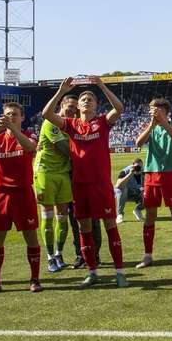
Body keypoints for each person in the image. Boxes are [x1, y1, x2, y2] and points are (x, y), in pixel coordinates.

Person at [41, 76, 129, 289]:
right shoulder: (70, 125)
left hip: (100, 185)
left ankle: (119, 272)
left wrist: (101, 86)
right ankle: (92, 272)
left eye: (91, 99)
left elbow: (119, 107)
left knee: (110, 227)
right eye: (83, 99)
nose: (87, 101)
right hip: (80, 185)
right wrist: (62, 91)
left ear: (97, 105)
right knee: (84, 229)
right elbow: (46, 114)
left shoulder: (102, 122)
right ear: (78, 106)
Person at [0, 102, 42, 295]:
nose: (11, 117)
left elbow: (30, 148)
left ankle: (34, 279)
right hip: (0, 193)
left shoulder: (28, 135)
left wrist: (12, 129)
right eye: (7, 114)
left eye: (15, 114)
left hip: (22, 192)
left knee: (30, 235)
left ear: (22, 117)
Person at [134, 98, 172, 269]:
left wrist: (163, 122)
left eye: (157, 110)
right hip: (151, 174)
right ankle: (147, 255)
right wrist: (151, 124)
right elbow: (138, 143)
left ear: (166, 111)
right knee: (150, 215)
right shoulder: (151, 128)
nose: (153, 112)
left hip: (171, 173)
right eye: (151, 109)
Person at [34, 94, 77, 273]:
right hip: (46, 172)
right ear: (61, 105)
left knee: (63, 216)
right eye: (69, 107)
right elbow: (64, 148)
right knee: (48, 216)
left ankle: (59, 254)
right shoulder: (51, 122)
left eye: (75, 109)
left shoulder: (71, 125)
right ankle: (50, 257)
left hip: (63, 173)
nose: (72, 111)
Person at [115, 159, 145, 223]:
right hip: (125, 194)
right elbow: (118, 185)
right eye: (136, 167)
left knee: (150, 192)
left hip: (137, 192)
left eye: (140, 167)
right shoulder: (125, 171)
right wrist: (130, 174)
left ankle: (138, 210)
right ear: (132, 166)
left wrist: (144, 190)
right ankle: (119, 214)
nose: (138, 168)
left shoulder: (144, 172)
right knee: (122, 188)